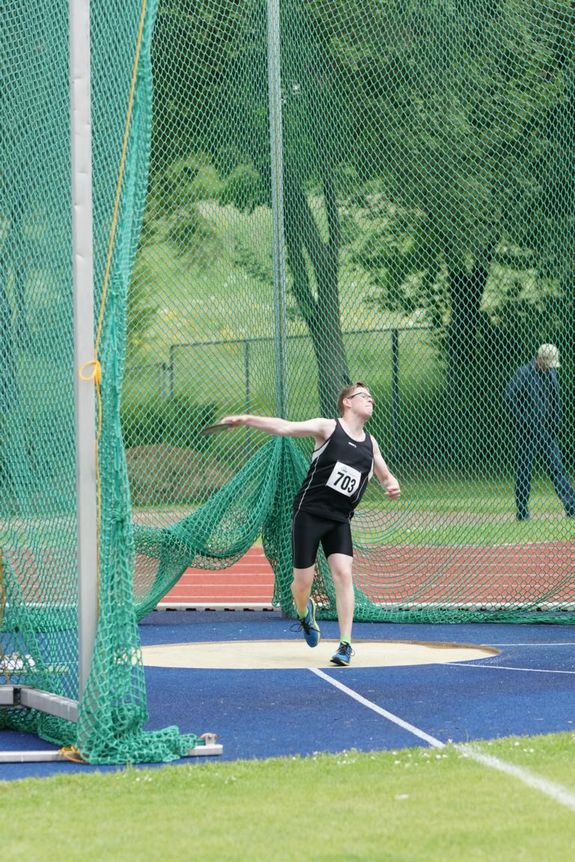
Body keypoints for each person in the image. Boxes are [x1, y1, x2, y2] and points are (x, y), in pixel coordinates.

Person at [223, 382, 400, 666]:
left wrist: (391, 484)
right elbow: (285, 427)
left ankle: (345, 644)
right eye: (363, 396)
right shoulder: (328, 428)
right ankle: (305, 612)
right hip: (309, 514)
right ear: (347, 402)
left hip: (340, 519)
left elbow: (385, 475)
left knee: (343, 574)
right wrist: (247, 419)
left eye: (371, 397)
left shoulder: (371, 442)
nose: (370, 400)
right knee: (302, 584)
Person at [505, 344, 575, 521]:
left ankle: (572, 506)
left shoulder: (551, 374)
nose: (551, 368)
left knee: (557, 469)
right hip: (528, 433)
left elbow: (556, 401)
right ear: (539, 359)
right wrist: (524, 421)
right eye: (548, 364)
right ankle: (522, 512)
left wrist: (554, 424)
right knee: (524, 471)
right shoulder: (524, 373)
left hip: (547, 431)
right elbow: (509, 398)